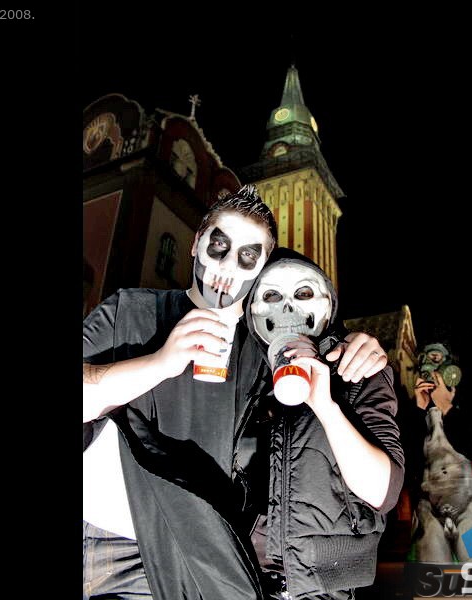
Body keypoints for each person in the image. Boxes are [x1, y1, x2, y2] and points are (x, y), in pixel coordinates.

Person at [83, 186, 388, 599]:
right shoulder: (133, 310)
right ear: (196, 244)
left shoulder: (264, 351)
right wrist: (159, 362)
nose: (228, 266)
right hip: (106, 538)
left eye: (247, 256)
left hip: (196, 556)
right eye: (219, 245)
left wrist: (356, 346)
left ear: (260, 269)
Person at [240, 248, 405, 599]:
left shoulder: (356, 369)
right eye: (271, 296)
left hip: (324, 586)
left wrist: (326, 406)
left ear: (328, 304)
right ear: (251, 310)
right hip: (234, 579)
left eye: (303, 293)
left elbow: (383, 491)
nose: (289, 309)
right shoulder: (236, 373)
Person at [404, 342, 472, 563]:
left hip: (467, 502)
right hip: (428, 507)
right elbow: (407, 463)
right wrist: (418, 410)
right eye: (427, 360)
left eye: (437, 359)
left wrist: (447, 408)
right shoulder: (413, 410)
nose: (431, 368)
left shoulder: (466, 405)